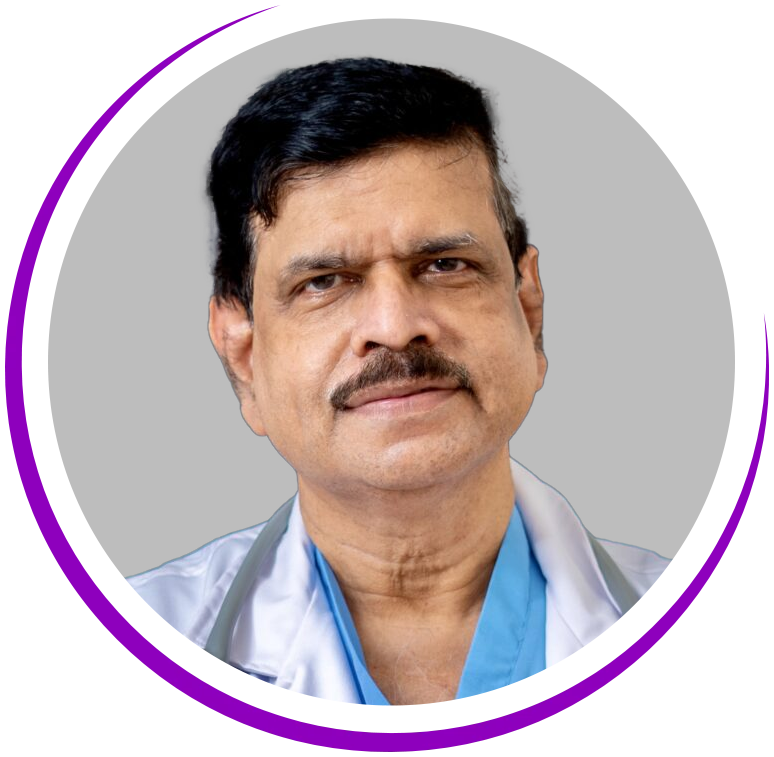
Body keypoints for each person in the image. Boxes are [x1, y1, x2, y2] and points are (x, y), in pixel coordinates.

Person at [127, 57, 670, 706]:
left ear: (528, 311)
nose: (394, 326)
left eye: (445, 264)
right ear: (244, 358)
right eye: (324, 282)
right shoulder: (115, 654)